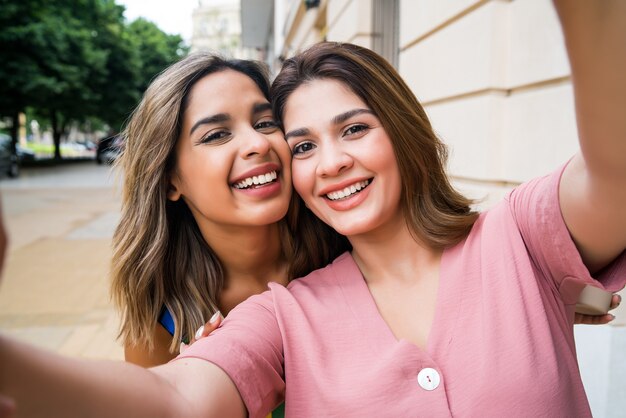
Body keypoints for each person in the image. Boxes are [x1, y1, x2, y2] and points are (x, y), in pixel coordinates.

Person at [0, 1, 624, 416]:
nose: (329, 163)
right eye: (304, 144)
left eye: (354, 129)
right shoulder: (280, 315)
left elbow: (613, 176)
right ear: (171, 182)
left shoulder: (516, 234)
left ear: (402, 132)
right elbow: (171, 401)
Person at [109, 52, 296, 369]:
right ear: (170, 181)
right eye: (217, 134)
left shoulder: (348, 248)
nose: (258, 143)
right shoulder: (160, 324)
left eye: (265, 123)